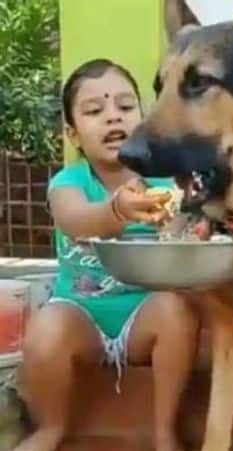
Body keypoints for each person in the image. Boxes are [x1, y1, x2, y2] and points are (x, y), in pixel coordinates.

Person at [14, 59, 199, 451]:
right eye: (95, 111)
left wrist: (182, 229)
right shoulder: (69, 183)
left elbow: (179, 241)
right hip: (81, 317)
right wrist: (116, 211)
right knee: (46, 327)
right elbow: (74, 219)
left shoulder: (165, 184)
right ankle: (51, 427)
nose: (113, 117)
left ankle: (164, 430)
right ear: (72, 133)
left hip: (141, 318)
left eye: (125, 107)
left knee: (176, 310)